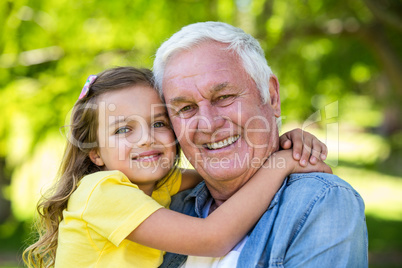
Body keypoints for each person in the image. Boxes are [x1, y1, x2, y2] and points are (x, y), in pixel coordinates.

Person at [23, 67, 331, 268]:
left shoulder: (157, 185)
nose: (146, 139)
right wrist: (281, 164)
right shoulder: (102, 193)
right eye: (123, 130)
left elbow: (229, 170)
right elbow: (213, 237)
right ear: (95, 154)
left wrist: (283, 145)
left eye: (158, 123)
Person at [154, 21, 368, 267]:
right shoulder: (168, 205)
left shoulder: (320, 201)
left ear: (272, 96)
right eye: (186, 108)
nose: (209, 124)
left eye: (224, 97)